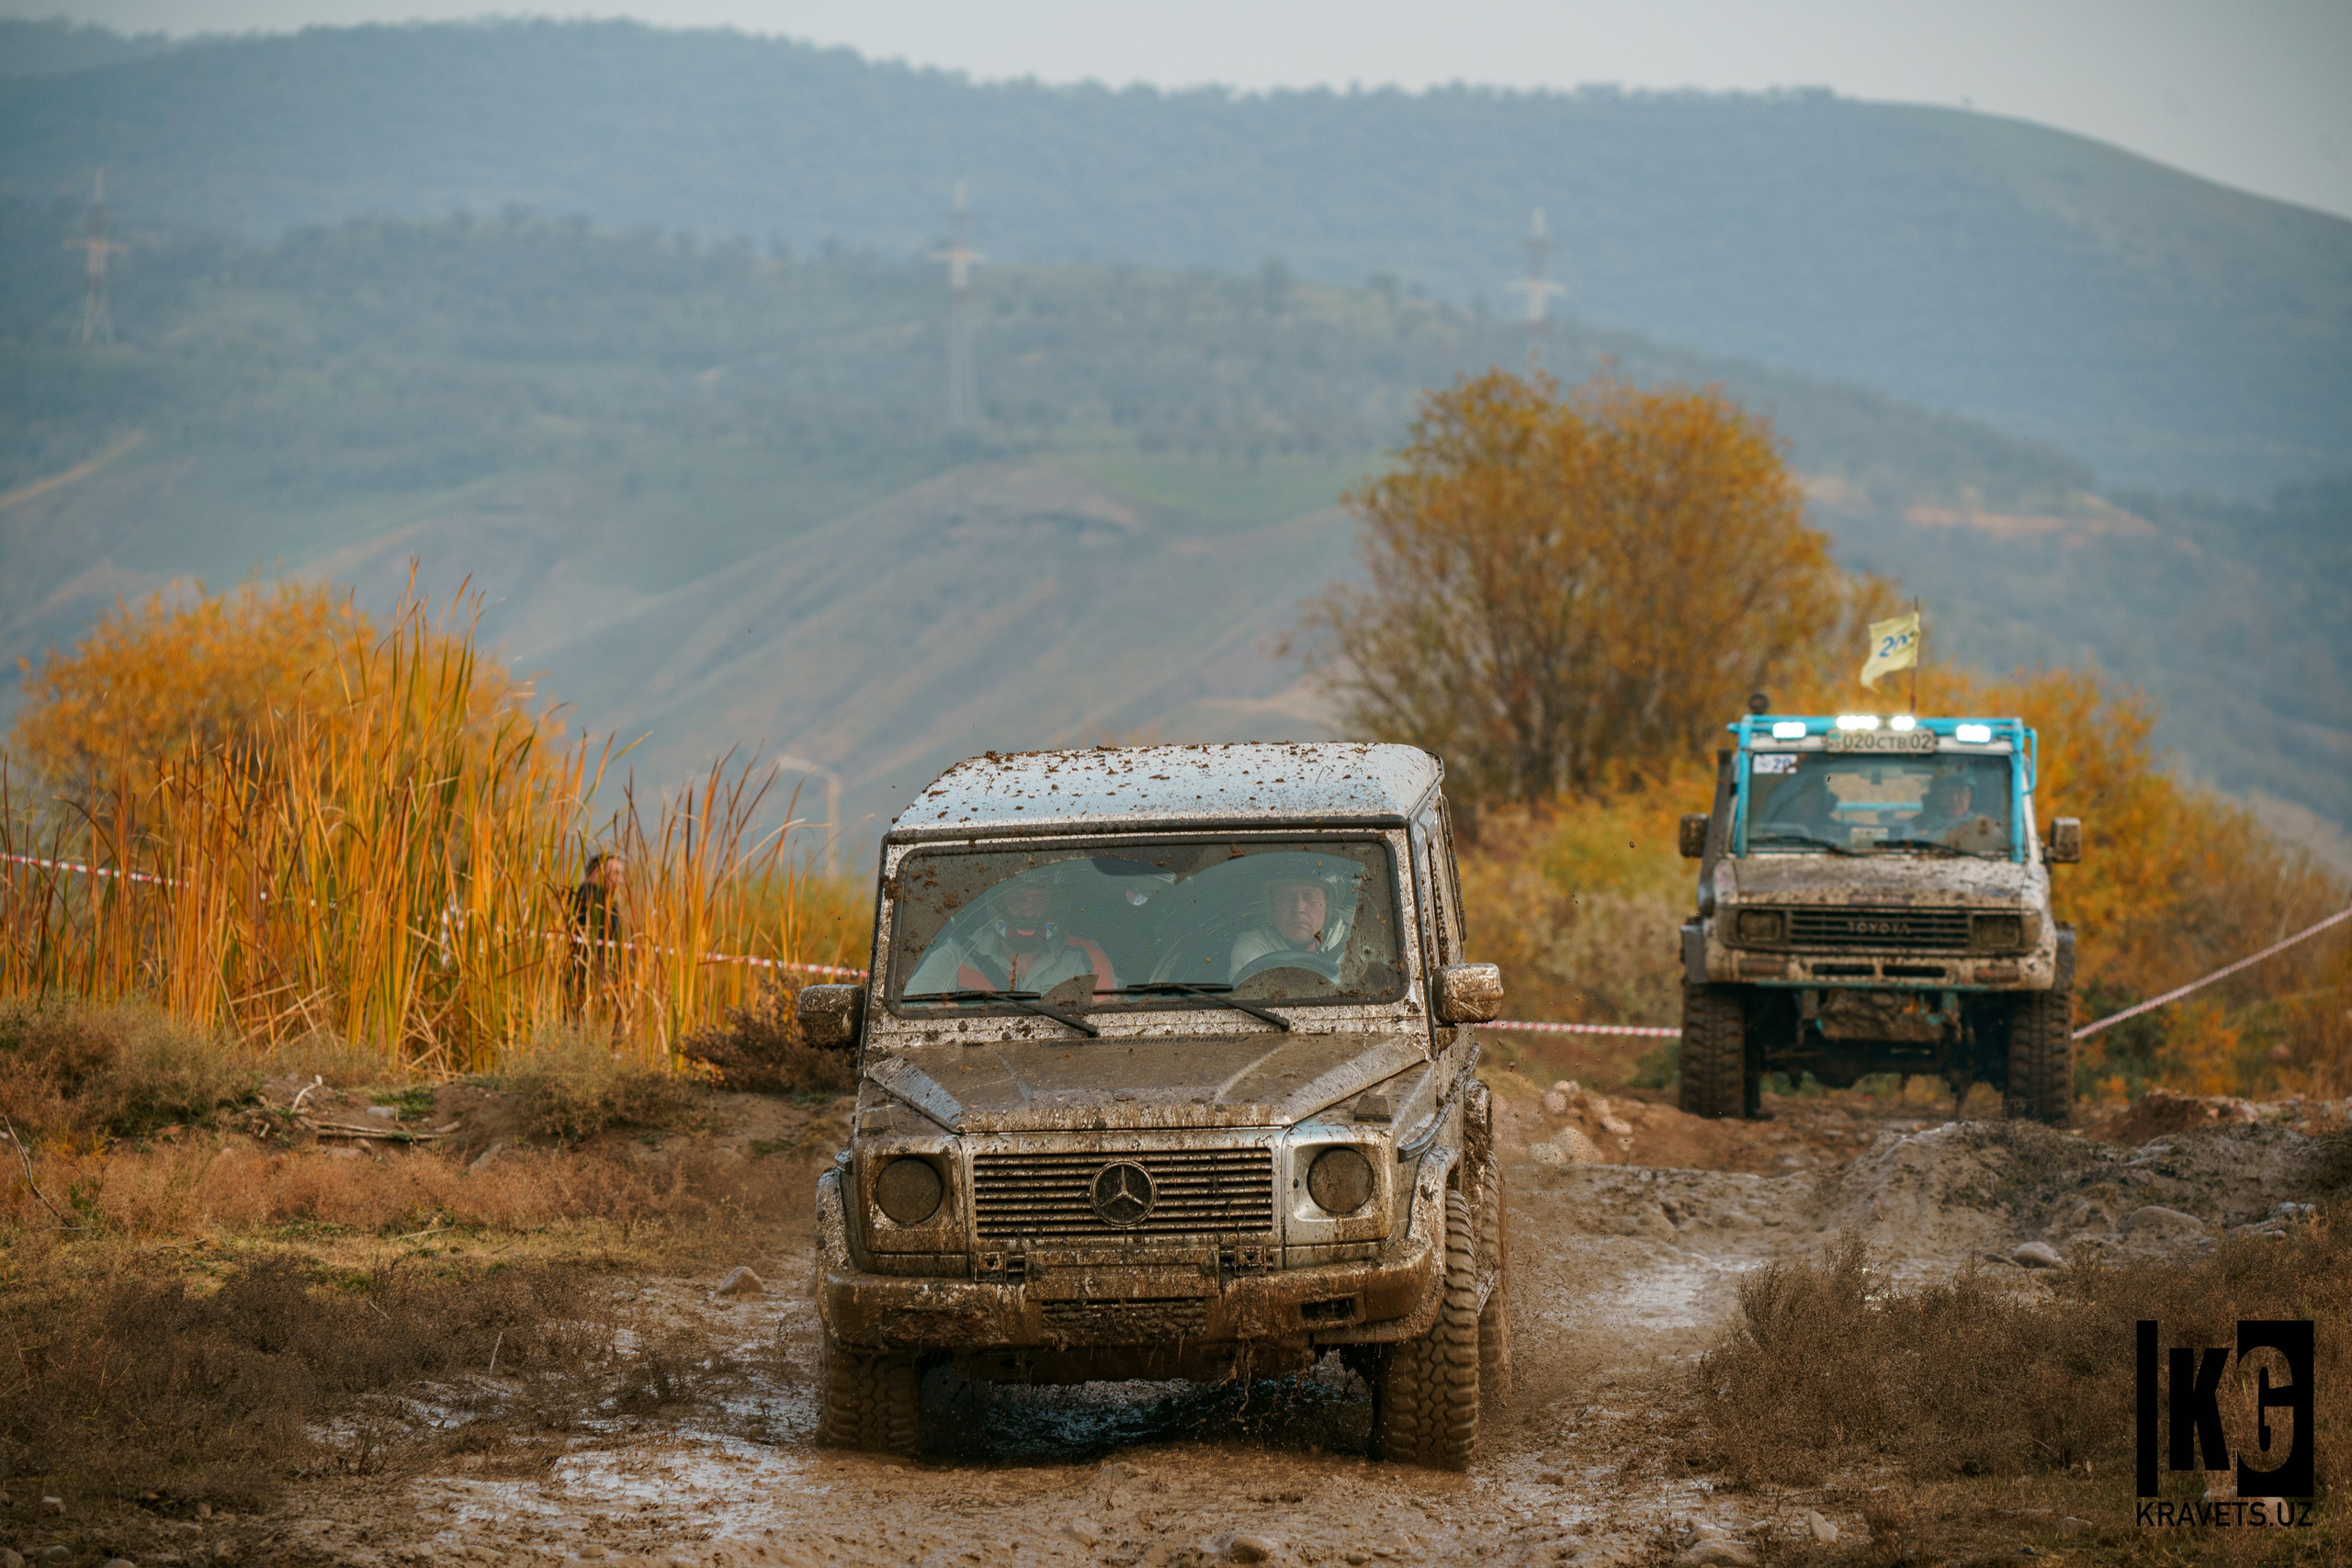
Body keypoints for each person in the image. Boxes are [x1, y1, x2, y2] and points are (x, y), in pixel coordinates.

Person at [907, 875, 1118, 1000]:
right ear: (996, 902)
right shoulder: (956, 956)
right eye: (1016, 899)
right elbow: (909, 1022)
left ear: (1056, 903)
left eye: (1041, 900)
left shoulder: (1087, 958)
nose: (1028, 912)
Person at [1228, 872, 1345, 981]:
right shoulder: (1253, 945)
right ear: (1271, 907)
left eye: (1309, 896)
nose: (1299, 908)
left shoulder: (1351, 946)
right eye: (1287, 897)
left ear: (1328, 906)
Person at [567, 852, 628, 1011]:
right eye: (615, 874)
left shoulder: (604, 901)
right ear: (597, 872)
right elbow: (595, 941)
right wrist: (602, 977)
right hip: (590, 987)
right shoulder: (590, 898)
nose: (620, 880)